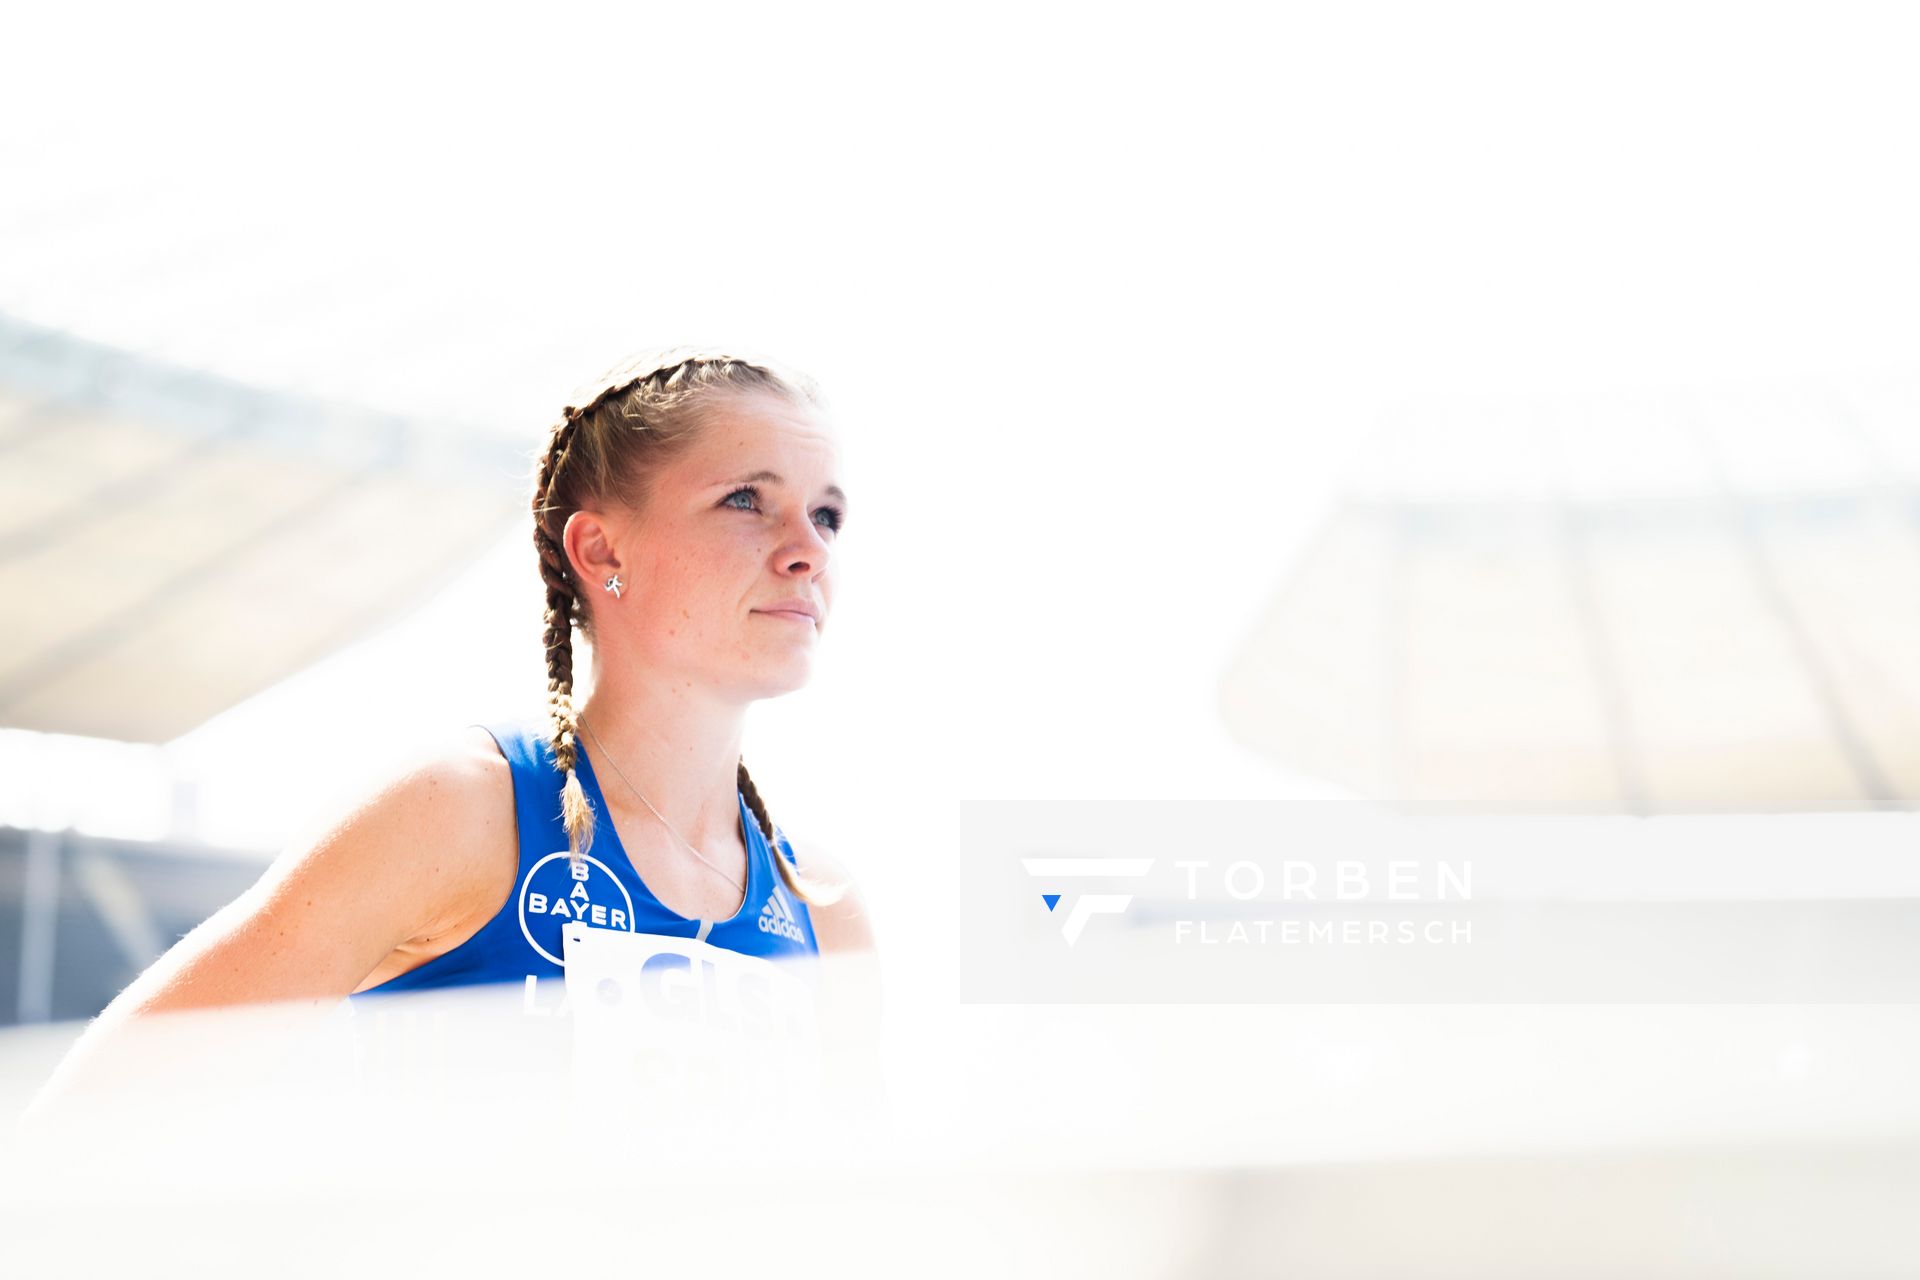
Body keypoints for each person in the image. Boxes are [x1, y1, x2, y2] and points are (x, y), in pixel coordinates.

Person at [29, 346, 877, 1107]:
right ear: (602, 551)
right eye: (745, 500)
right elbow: (92, 1112)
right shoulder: (456, 812)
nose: (808, 551)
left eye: (827, 516)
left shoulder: (825, 913)